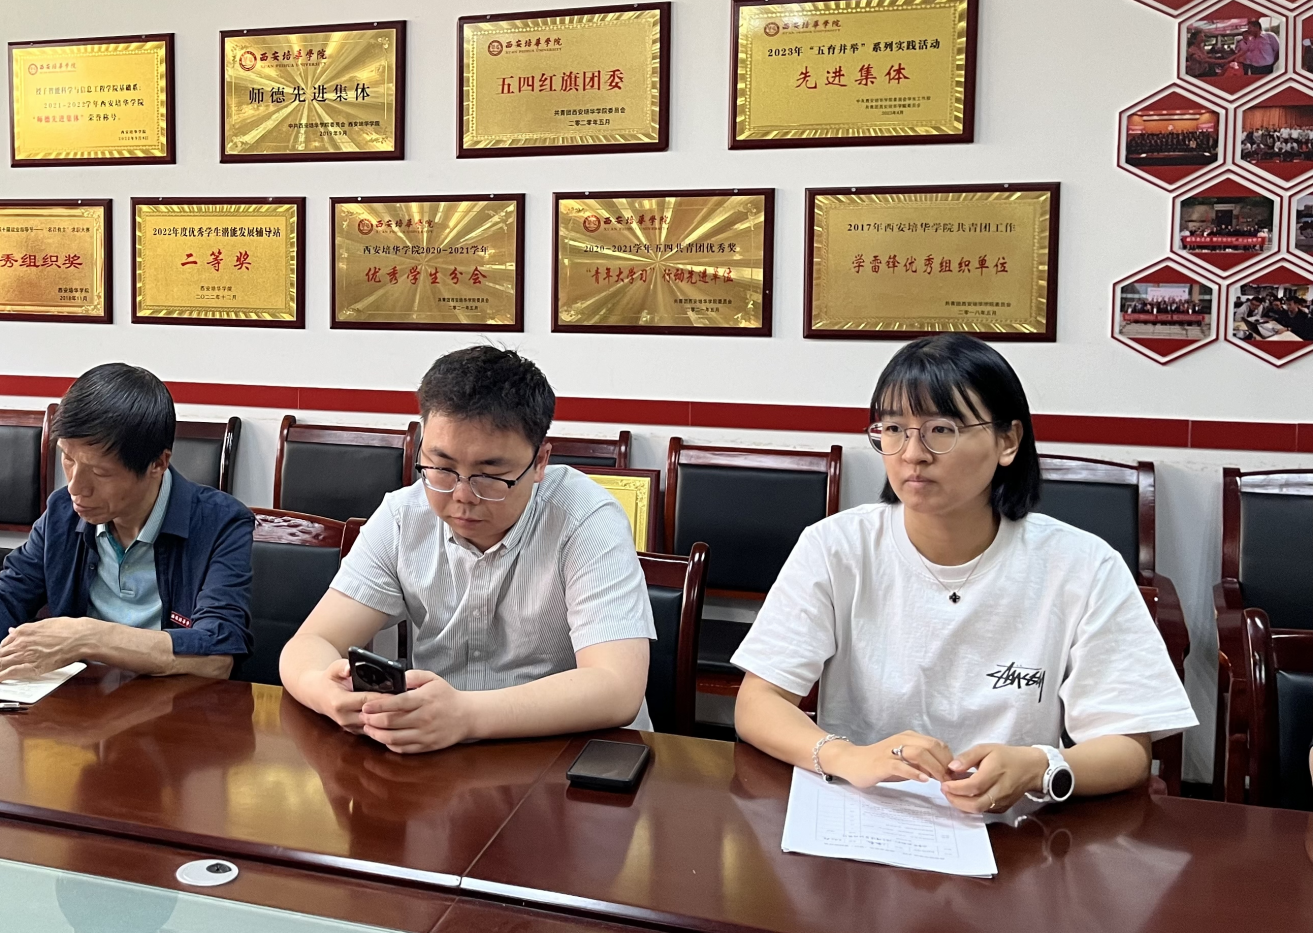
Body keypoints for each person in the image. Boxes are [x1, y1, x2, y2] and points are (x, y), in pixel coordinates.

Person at [732, 334, 1196, 815]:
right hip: (863, 820)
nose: (912, 453)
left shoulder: (1082, 565)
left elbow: (1128, 748)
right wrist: (846, 756)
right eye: (894, 428)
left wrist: (1040, 766)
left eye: (942, 429)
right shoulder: (836, 547)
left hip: (1016, 833)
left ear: (1007, 441)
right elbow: (758, 702)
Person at [279, 346, 654, 754]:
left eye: (490, 475)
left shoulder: (585, 519)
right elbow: (310, 642)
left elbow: (616, 687)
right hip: (443, 752)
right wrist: (326, 692)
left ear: (540, 462)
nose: (462, 495)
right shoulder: (404, 517)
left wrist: (466, 715)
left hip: (569, 753)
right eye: (441, 467)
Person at [0, 363, 252, 680]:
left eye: (100, 472)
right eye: (67, 459)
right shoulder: (63, 512)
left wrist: (87, 637)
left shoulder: (220, 524)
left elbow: (217, 655)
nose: (76, 486)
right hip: (79, 711)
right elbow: (3, 601)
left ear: (158, 464)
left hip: (175, 719)